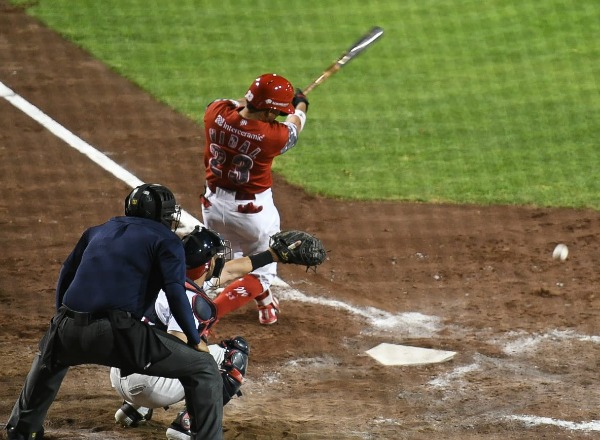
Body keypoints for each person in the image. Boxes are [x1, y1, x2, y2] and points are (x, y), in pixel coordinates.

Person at [6, 184, 223, 440]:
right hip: (118, 334)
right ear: (162, 214)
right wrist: (195, 340)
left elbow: (66, 272)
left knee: (49, 360)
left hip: (68, 324)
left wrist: (60, 321)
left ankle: (21, 431)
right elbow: (175, 293)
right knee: (204, 367)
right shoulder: (167, 240)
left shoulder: (97, 231)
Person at [109, 225, 301, 440]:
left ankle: (133, 409)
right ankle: (189, 422)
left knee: (150, 337)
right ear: (206, 266)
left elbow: (232, 270)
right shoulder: (187, 300)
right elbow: (174, 346)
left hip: (120, 375)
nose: (220, 260)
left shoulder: (162, 276)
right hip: (150, 386)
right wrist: (200, 348)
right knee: (229, 355)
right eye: (215, 257)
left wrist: (272, 255)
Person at [201, 73, 310, 325]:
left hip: (212, 208)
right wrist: (301, 104)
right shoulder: (273, 136)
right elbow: (295, 126)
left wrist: (263, 100)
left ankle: (265, 303)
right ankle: (208, 317)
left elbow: (237, 104)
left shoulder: (214, 113)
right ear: (270, 111)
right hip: (252, 214)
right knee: (260, 271)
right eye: (276, 112)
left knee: (228, 263)